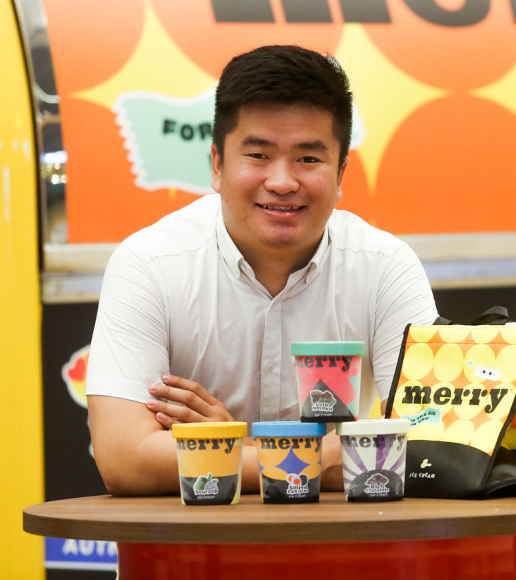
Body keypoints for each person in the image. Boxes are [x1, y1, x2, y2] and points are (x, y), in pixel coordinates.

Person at [86, 45, 438, 496]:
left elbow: (427, 448)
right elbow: (124, 459)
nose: (282, 181)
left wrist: (233, 448)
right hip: (193, 559)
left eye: (308, 158)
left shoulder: (386, 267)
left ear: (340, 173)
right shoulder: (149, 264)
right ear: (217, 165)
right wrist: (328, 454)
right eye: (258, 155)